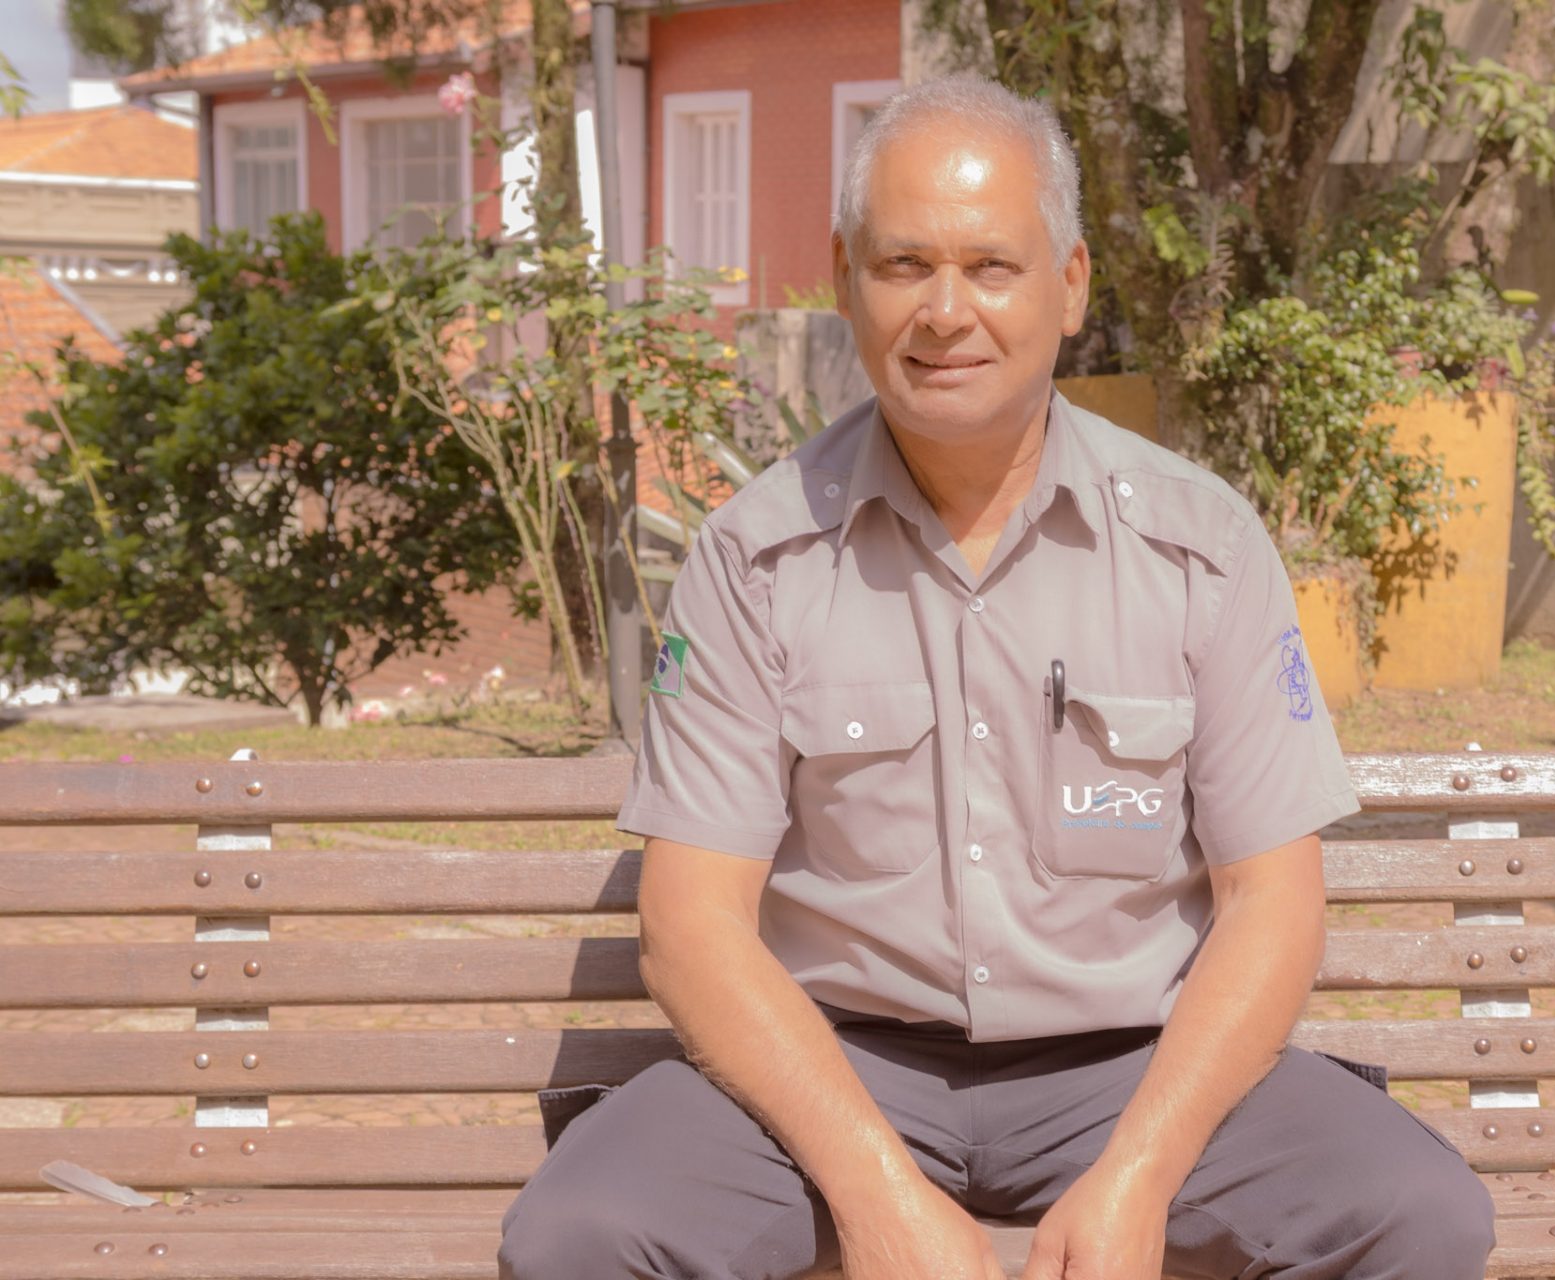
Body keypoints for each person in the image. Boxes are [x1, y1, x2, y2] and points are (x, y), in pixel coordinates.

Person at [498, 72, 1495, 1280]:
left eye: (990, 266)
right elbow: (691, 924)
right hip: (833, 1064)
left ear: (1069, 284)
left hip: (1134, 1064)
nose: (944, 311)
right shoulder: (756, 559)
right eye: (904, 264)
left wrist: (1140, 1172)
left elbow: (1271, 901)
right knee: (580, 1235)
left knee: (1414, 1212)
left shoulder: (1201, 546)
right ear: (846, 279)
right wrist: (875, 1191)